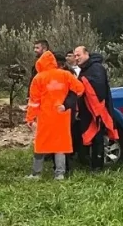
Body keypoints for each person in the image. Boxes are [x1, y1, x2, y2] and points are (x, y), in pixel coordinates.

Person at [25, 48, 85, 180]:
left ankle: (36, 174)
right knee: (60, 145)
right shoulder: (65, 75)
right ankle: (60, 174)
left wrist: (30, 118)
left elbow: (34, 101)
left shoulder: (38, 78)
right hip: (61, 115)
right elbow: (80, 89)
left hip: (45, 116)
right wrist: (68, 102)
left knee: (40, 145)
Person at [73, 45, 117, 172]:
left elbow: (98, 88)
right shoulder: (86, 68)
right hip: (86, 110)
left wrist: (81, 81)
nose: (76, 58)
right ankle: (88, 163)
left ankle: (97, 167)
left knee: (97, 138)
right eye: (75, 56)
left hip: (97, 111)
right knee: (88, 137)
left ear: (86, 54)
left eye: (78, 55)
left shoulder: (96, 68)